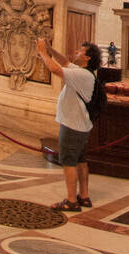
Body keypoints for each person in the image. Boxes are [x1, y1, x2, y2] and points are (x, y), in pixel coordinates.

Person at [37, 37, 101, 213]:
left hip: (72, 125)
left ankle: (72, 200)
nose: (76, 52)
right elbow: (64, 61)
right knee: (80, 160)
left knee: (68, 161)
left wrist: (43, 52)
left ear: (88, 57)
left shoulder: (81, 75)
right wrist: (50, 49)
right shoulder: (84, 72)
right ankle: (84, 196)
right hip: (80, 124)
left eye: (80, 51)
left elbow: (55, 69)